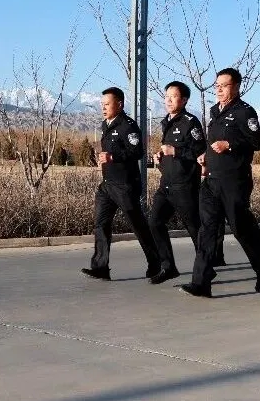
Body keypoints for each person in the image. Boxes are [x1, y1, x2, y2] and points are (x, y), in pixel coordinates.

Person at [180, 68, 260, 298]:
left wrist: (229, 144)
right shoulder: (215, 111)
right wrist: (206, 156)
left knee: (240, 228)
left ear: (236, 87)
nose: (219, 89)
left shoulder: (244, 112)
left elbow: (256, 142)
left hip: (234, 181)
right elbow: (213, 143)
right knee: (207, 230)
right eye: (217, 85)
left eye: (224, 85)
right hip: (211, 181)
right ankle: (201, 282)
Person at [82, 87, 160, 281]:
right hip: (107, 185)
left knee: (137, 225)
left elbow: (138, 152)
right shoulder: (106, 125)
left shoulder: (128, 126)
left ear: (119, 104)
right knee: (100, 224)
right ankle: (100, 267)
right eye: (102, 104)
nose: (103, 108)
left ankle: (156, 263)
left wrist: (113, 157)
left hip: (125, 185)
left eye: (107, 104)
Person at [147, 81, 206, 284]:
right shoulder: (166, 122)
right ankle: (168, 267)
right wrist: (161, 157)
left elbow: (200, 150)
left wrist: (176, 151)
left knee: (195, 228)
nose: (168, 100)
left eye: (173, 96)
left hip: (185, 185)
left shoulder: (191, 122)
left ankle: (205, 268)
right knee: (154, 222)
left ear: (184, 100)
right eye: (166, 96)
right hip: (166, 184)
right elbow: (169, 151)